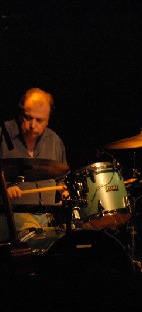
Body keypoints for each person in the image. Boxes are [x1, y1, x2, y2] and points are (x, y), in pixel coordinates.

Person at [1, 87, 68, 242]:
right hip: (10, 216)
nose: (32, 125)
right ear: (20, 113)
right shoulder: (3, 136)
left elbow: (61, 179)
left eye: (39, 120)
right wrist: (4, 189)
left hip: (47, 217)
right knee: (36, 238)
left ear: (48, 119)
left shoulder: (54, 141)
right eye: (28, 118)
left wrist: (64, 191)